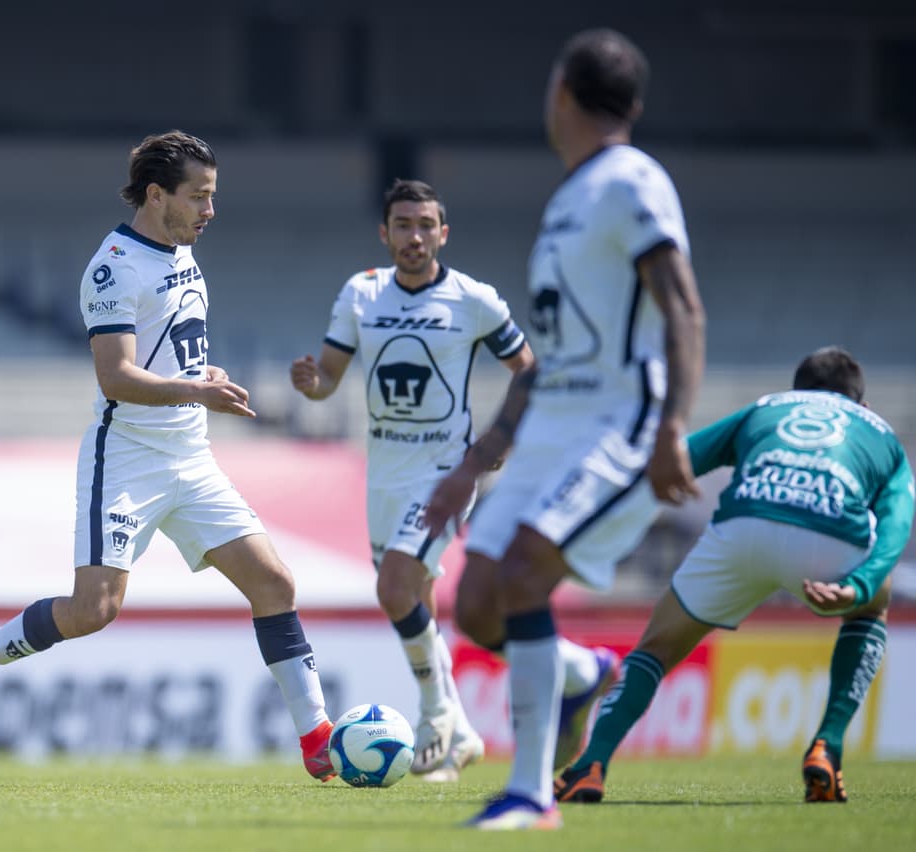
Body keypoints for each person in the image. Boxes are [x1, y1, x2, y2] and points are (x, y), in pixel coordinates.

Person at [0, 130, 337, 780]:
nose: (210, 209)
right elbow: (115, 376)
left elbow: (174, 355)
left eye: (212, 196)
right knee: (95, 611)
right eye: (198, 196)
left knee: (274, 583)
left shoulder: (183, 255)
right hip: (128, 461)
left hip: (190, 460)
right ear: (155, 195)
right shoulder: (114, 266)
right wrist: (196, 391)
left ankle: (318, 740)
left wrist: (204, 379)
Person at [425, 28, 706, 830]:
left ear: (560, 94)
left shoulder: (629, 181)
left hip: (619, 422)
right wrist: (479, 459)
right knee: (478, 604)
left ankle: (529, 793)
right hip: (555, 425)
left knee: (522, 575)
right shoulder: (567, 202)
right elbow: (551, 356)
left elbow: (682, 304)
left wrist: (672, 426)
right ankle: (581, 672)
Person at [555, 347, 913, 805]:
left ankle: (591, 765)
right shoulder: (880, 433)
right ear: (861, 405)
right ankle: (828, 745)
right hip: (830, 536)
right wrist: (861, 585)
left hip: (744, 526)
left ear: (796, 392)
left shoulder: (766, 408)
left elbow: (679, 459)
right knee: (871, 608)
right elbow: (897, 523)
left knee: (656, 648)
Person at [290, 178, 541, 782]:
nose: (415, 236)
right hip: (383, 477)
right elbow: (329, 376)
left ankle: (435, 720)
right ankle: (461, 731)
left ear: (443, 233)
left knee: (395, 588)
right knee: (414, 601)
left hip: (444, 476)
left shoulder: (473, 299)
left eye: (426, 224)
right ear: (385, 233)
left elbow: (529, 371)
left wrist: (493, 444)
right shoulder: (361, 293)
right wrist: (312, 383)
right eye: (403, 224)